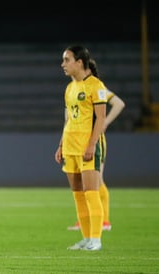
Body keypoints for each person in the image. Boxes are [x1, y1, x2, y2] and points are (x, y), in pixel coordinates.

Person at [55, 45, 108, 251]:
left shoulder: (96, 86)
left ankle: (96, 239)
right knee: (78, 194)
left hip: (88, 146)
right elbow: (68, 120)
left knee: (91, 192)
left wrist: (92, 144)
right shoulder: (69, 88)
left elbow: (101, 118)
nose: (63, 64)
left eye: (66, 60)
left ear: (79, 62)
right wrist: (61, 144)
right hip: (71, 146)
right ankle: (86, 238)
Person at [67, 59, 126, 231]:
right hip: (75, 142)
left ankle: (104, 221)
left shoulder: (95, 88)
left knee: (96, 180)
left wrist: (105, 122)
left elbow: (119, 103)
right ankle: (85, 221)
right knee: (81, 183)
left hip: (92, 141)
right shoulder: (72, 91)